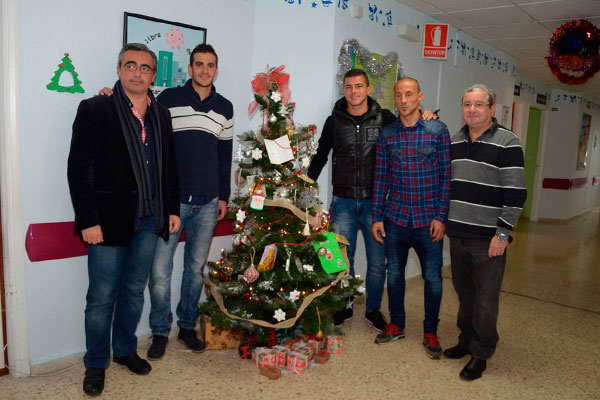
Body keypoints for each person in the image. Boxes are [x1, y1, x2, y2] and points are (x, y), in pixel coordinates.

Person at [100, 43, 233, 359]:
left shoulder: (225, 107)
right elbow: (134, 109)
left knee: (195, 269)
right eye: (198, 64)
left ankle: (186, 326)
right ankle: (160, 331)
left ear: (216, 69)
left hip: (209, 201)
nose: (204, 70)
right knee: (159, 270)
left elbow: (224, 155)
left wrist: (224, 196)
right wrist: (108, 96)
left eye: (210, 65)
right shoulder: (168, 99)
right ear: (189, 69)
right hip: (171, 202)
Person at [68, 43, 180, 396]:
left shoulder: (162, 114)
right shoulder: (95, 109)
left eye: (145, 68)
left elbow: (170, 167)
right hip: (106, 223)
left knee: (133, 291)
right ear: (119, 70)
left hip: (150, 220)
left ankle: (126, 351)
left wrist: (172, 209)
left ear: (153, 75)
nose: (137, 72)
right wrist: (88, 219)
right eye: (130, 65)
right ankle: (96, 363)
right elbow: (79, 169)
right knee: (101, 297)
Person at [444, 84, 526, 380]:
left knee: (486, 299)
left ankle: (481, 352)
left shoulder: (508, 142)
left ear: (492, 108)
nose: (472, 110)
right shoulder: (455, 140)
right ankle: (466, 341)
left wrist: (502, 235)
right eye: (467, 104)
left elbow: (516, 192)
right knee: (465, 294)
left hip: (488, 239)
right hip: (458, 235)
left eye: (479, 104)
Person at [307, 69, 395, 331]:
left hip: (375, 203)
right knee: (340, 260)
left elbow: (405, 140)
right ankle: (343, 306)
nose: (353, 91)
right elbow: (321, 155)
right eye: (348, 87)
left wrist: (425, 115)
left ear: (368, 89)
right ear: (343, 90)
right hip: (343, 201)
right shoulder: (333, 121)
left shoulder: (385, 118)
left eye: (359, 86)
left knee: (378, 262)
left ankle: (373, 309)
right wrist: (305, 184)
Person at [371, 77, 450, 360]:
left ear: (420, 96)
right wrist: (377, 216)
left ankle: (430, 330)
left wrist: (441, 217)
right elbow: (381, 178)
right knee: (394, 276)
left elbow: (445, 179)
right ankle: (397, 324)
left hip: (429, 220)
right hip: (395, 219)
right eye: (399, 95)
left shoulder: (437, 130)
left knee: (432, 278)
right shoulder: (387, 135)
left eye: (409, 94)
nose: (403, 100)